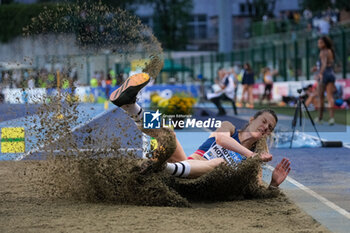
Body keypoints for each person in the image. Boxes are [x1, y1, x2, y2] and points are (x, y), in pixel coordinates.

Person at [110, 73, 291, 189]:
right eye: (264, 121)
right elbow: (220, 139)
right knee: (169, 133)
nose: (266, 127)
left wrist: (273, 184)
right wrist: (250, 155)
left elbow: (257, 190)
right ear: (252, 120)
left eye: (270, 128)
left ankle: (159, 167)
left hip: (198, 187)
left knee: (220, 163)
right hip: (185, 167)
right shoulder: (229, 128)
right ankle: (130, 105)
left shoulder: (253, 159)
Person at [313, 36, 336, 125]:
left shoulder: (323, 52)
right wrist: (317, 68)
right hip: (331, 73)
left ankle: (320, 118)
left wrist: (320, 74)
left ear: (325, 43)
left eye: (320, 43)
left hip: (325, 74)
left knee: (321, 97)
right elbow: (329, 64)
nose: (319, 45)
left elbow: (324, 64)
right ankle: (331, 118)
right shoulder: (331, 51)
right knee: (330, 97)